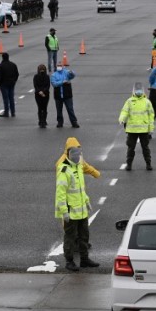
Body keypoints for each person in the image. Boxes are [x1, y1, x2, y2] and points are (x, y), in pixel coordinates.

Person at [55, 143, 99, 272]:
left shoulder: (79, 167)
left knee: (84, 235)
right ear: (68, 155)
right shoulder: (63, 170)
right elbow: (61, 193)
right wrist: (64, 212)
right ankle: (69, 261)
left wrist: (86, 201)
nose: (77, 157)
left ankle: (84, 259)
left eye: (79, 154)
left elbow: (80, 189)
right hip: (71, 211)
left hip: (81, 210)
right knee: (70, 236)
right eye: (74, 154)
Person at [119, 82, 155, 171]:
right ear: (134, 91)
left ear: (143, 91)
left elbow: (151, 115)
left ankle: (148, 164)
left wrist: (151, 128)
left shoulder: (147, 102)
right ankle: (129, 164)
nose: (138, 92)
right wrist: (122, 119)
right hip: (132, 129)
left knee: (145, 148)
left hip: (143, 129)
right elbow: (124, 111)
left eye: (140, 90)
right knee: (131, 148)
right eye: (137, 90)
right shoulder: (129, 101)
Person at [51, 63, 79, 128]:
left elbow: (72, 76)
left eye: (60, 66)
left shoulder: (66, 72)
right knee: (59, 110)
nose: (59, 67)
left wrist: (71, 72)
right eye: (58, 66)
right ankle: (60, 122)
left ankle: (74, 122)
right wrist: (62, 82)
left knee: (70, 109)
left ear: (63, 66)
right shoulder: (54, 75)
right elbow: (54, 84)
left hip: (67, 95)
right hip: (58, 95)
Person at [0, 52, 19, 117]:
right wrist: (14, 81)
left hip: (4, 84)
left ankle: (6, 112)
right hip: (11, 83)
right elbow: (17, 74)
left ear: (2, 57)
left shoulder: (1, 66)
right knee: (11, 98)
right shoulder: (13, 65)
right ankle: (13, 112)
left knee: (6, 99)